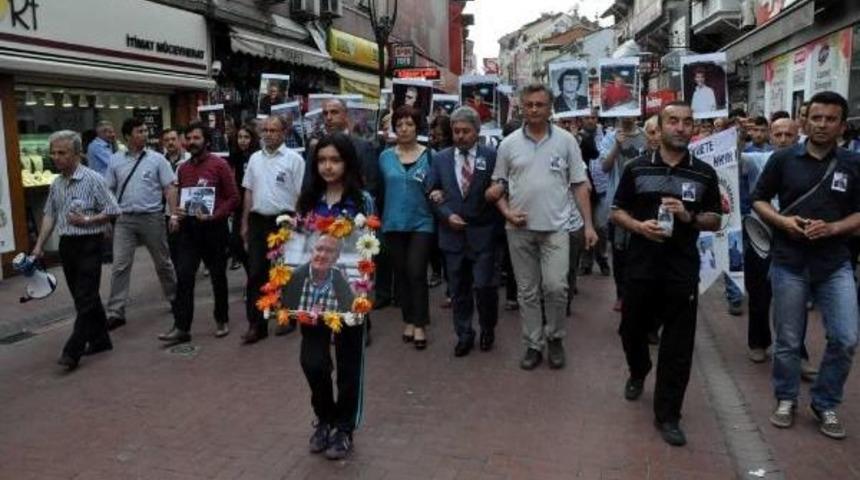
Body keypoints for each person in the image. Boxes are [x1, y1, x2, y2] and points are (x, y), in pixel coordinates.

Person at [611, 101, 722, 446]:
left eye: (687, 122)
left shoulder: (704, 173)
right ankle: (638, 369)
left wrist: (689, 217)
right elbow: (617, 211)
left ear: (693, 128)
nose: (681, 127)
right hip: (641, 266)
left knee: (678, 345)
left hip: (681, 269)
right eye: (673, 121)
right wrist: (638, 227)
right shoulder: (637, 168)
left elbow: (715, 219)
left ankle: (668, 414)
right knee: (631, 329)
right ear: (659, 127)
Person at [752, 91, 860, 440]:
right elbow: (758, 200)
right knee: (788, 338)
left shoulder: (853, 163)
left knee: (845, 337)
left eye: (831, 119)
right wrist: (783, 222)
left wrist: (834, 228)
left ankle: (825, 401)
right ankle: (786, 398)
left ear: (842, 126)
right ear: (805, 121)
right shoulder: (783, 159)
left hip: (834, 263)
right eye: (816, 118)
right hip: (789, 261)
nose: (822, 125)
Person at [486, 84, 597, 370]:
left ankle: (555, 337)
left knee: (557, 287)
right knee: (527, 291)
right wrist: (507, 212)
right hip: (518, 230)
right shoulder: (508, 144)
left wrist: (588, 225)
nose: (534, 109)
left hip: (556, 229)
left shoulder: (567, 141)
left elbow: (579, 184)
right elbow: (498, 186)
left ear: (550, 108)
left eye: (540, 104)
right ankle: (533, 344)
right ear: (522, 108)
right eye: (529, 104)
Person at [293, 135, 373, 460]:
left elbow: (371, 243)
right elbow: (296, 244)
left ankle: (344, 427)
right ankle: (324, 417)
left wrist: (363, 285)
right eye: (322, 160)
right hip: (312, 296)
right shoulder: (308, 200)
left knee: (349, 365)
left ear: (348, 163)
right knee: (312, 362)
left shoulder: (362, 200)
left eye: (335, 160)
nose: (328, 166)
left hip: (349, 294)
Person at [31, 130, 120, 370]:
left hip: (90, 243)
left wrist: (88, 220)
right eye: (53, 153)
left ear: (77, 154)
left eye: (62, 153)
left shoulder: (93, 179)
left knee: (85, 297)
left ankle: (73, 350)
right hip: (67, 245)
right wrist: (39, 246)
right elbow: (50, 215)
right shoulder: (57, 183)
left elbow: (113, 209)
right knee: (83, 296)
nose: (56, 157)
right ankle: (100, 340)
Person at [426, 107, 501, 357]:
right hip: (453, 236)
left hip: (484, 234)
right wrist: (447, 215)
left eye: (465, 131)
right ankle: (464, 334)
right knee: (458, 289)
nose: (460, 136)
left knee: (485, 287)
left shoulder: (492, 156)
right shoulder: (440, 159)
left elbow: (502, 185)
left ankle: (488, 328)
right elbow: (431, 192)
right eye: (456, 131)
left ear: (477, 131)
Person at [159, 122, 239, 344]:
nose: (192, 142)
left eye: (196, 138)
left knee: (217, 276)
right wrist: (177, 213)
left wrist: (215, 215)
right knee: (184, 276)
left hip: (214, 229)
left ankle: (221, 319)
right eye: (189, 138)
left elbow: (233, 198)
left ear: (207, 141)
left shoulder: (219, 165)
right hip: (189, 230)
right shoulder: (183, 168)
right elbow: (181, 196)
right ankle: (181, 327)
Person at [103, 118, 178, 331]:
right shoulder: (115, 161)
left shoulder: (157, 159)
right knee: (120, 265)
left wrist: (173, 214)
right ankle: (115, 312)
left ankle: (175, 298)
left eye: (146, 131)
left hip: (152, 217)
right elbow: (108, 189)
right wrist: (108, 217)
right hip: (124, 219)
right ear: (128, 136)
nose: (145, 134)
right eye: (140, 131)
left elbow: (170, 188)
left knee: (163, 262)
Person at [241, 116, 306, 344]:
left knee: (284, 272)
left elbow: (301, 194)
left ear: (283, 133)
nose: (268, 134)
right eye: (265, 130)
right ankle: (256, 325)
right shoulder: (254, 158)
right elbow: (248, 191)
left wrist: (298, 223)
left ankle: (287, 317)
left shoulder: (294, 159)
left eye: (273, 130)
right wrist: (245, 224)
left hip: (284, 221)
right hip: (258, 220)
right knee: (256, 273)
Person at [379, 105, 435, 350]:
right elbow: (379, 189)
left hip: (422, 222)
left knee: (416, 271)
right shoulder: (384, 157)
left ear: (417, 127)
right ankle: (409, 320)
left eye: (409, 124)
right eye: (399, 124)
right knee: (401, 272)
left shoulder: (430, 156)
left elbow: (437, 186)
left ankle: (420, 323)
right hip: (392, 222)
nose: (403, 129)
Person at [601, 116, 648, 312]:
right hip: (618, 203)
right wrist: (617, 146)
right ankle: (621, 294)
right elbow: (605, 167)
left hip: (642, 203)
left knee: (638, 250)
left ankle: (637, 293)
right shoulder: (610, 137)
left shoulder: (646, 135)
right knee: (619, 252)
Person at [227, 125, 258, 271]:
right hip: (239, 204)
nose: (243, 140)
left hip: (255, 204)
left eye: (246, 137)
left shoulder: (257, 156)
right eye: (240, 137)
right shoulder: (234, 157)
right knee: (236, 242)